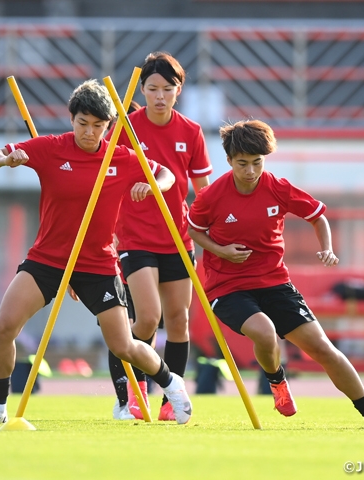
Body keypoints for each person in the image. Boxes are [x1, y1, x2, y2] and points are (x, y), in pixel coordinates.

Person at [0, 79, 192, 426]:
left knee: (123, 344)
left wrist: (152, 185)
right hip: (47, 258)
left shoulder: (120, 156)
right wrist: (8, 159)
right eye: (83, 123)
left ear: (109, 125)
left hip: (98, 263)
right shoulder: (51, 147)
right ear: (72, 119)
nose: (90, 132)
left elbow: (167, 176)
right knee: (3, 327)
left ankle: (172, 384)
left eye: (98, 126)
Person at [187, 119, 364, 429]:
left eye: (257, 163)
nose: (251, 171)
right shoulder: (211, 197)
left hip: (276, 283)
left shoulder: (277, 187)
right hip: (227, 287)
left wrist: (328, 248)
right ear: (229, 161)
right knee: (265, 332)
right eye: (243, 163)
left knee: (323, 349)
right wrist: (221, 250)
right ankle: (277, 381)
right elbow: (195, 230)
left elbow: (317, 215)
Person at [106, 52, 212, 421]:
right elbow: (106, 178)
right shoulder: (125, 128)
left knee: (179, 319)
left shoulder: (191, 131)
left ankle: (173, 397)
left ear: (178, 90)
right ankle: (134, 394)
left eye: (167, 89)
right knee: (147, 319)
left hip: (178, 239)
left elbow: (203, 191)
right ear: (143, 90)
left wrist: (210, 233)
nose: (160, 96)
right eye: (152, 89)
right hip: (134, 238)